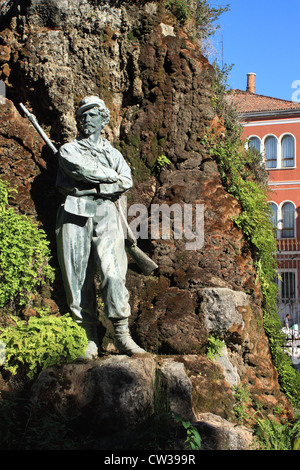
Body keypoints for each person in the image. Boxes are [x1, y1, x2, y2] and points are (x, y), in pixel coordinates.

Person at [55, 96, 146, 358]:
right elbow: (80, 169)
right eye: (82, 115)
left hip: (107, 212)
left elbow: (126, 180)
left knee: (114, 273)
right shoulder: (69, 149)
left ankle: (122, 335)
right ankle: (88, 337)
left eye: (92, 114)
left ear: (103, 119)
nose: (85, 119)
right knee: (77, 277)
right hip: (75, 211)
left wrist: (99, 184)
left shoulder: (113, 153)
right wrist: (108, 178)